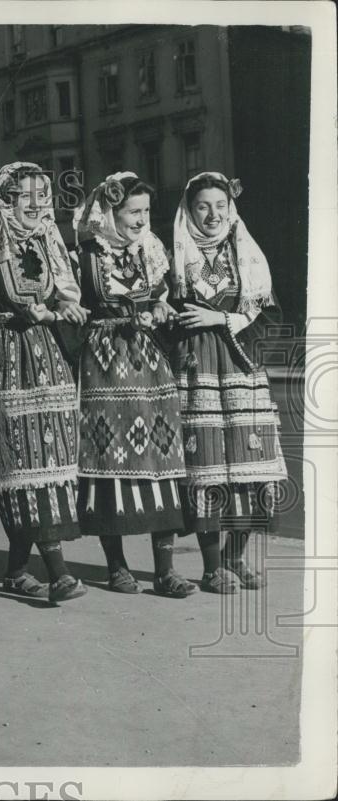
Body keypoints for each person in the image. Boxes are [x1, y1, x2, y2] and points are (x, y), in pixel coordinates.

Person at [72, 172, 196, 598]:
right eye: (132, 212)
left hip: (150, 361)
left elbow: (162, 295)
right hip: (105, 363)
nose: (141, 220)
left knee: (162, 454)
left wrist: (160, 307)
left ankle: (165, 570)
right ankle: (117, 566)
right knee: (109, 457)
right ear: (110, 213)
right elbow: (79, 303)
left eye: (145, 211)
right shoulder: (86, 254)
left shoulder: (151, 249)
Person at [169, 172, 288, 591]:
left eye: (220, 205)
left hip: (240, 365)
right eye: (203, 206)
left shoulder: (246, 253)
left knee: (250, 460)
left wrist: (221, 318)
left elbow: (269, 314)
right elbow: (165, 311)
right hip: (197, 365)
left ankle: (235, 556)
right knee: (206, 463)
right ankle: (209, 565)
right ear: (190, 209)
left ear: (230, 207)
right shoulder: (176, 254)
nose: (213, 214)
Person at [0, 162, 87, 603]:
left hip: (48, 354)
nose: (35, 205)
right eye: (24, 196)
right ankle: (58, 569)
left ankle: (16, 569)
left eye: (41, 196)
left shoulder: (49, 240)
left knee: (51, 455)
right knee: (23, 460)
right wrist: (34, 311)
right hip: (10, 354)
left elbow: (64, 293)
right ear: (5, 200)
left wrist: (65, 310)